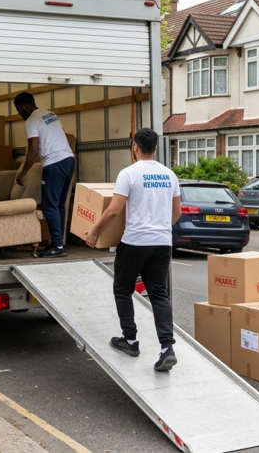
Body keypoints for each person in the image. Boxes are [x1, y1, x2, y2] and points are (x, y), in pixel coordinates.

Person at [84, 128, 181, 372]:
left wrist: (94, 232)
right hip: (162, 244)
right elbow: (177, 213)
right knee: (159, 294)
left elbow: (113, 211)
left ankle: (130, 340)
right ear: (155, 148)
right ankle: (167, 348)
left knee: (122, 289)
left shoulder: (128, 174)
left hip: (135, 243)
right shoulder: (169, 175)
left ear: (134, 146)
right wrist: (158, 230)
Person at [14, 92, 75, 258]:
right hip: (68, 160)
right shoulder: (50, 114)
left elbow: (33, 150)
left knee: (49, 206)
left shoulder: (31, 120)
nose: (19, 114)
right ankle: (60, 244)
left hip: (54, 164)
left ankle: (56, 245)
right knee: (59, 205)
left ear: (26, 106)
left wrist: (23, 172)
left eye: (19, 110)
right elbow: (60, 133)